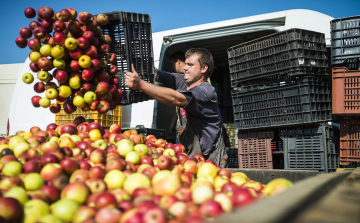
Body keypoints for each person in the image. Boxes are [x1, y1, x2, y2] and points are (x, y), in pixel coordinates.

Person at [125, 48, 228, 167]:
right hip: (192, 158)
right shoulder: (183, 82)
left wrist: (140, 84)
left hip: (210, 159)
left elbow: (176, 99)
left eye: (190, 65)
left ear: (203, 68)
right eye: (186, 64)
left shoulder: (206, 91)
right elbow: (155, 74)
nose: (185, 68)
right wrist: (129, 56)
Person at [167, 52, 186, 140]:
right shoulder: (181, 79)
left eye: (172, 64)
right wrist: (172, 123)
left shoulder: (190, 78)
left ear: (178, 61)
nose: (172, 67)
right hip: (182, 126)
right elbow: (179, 105)